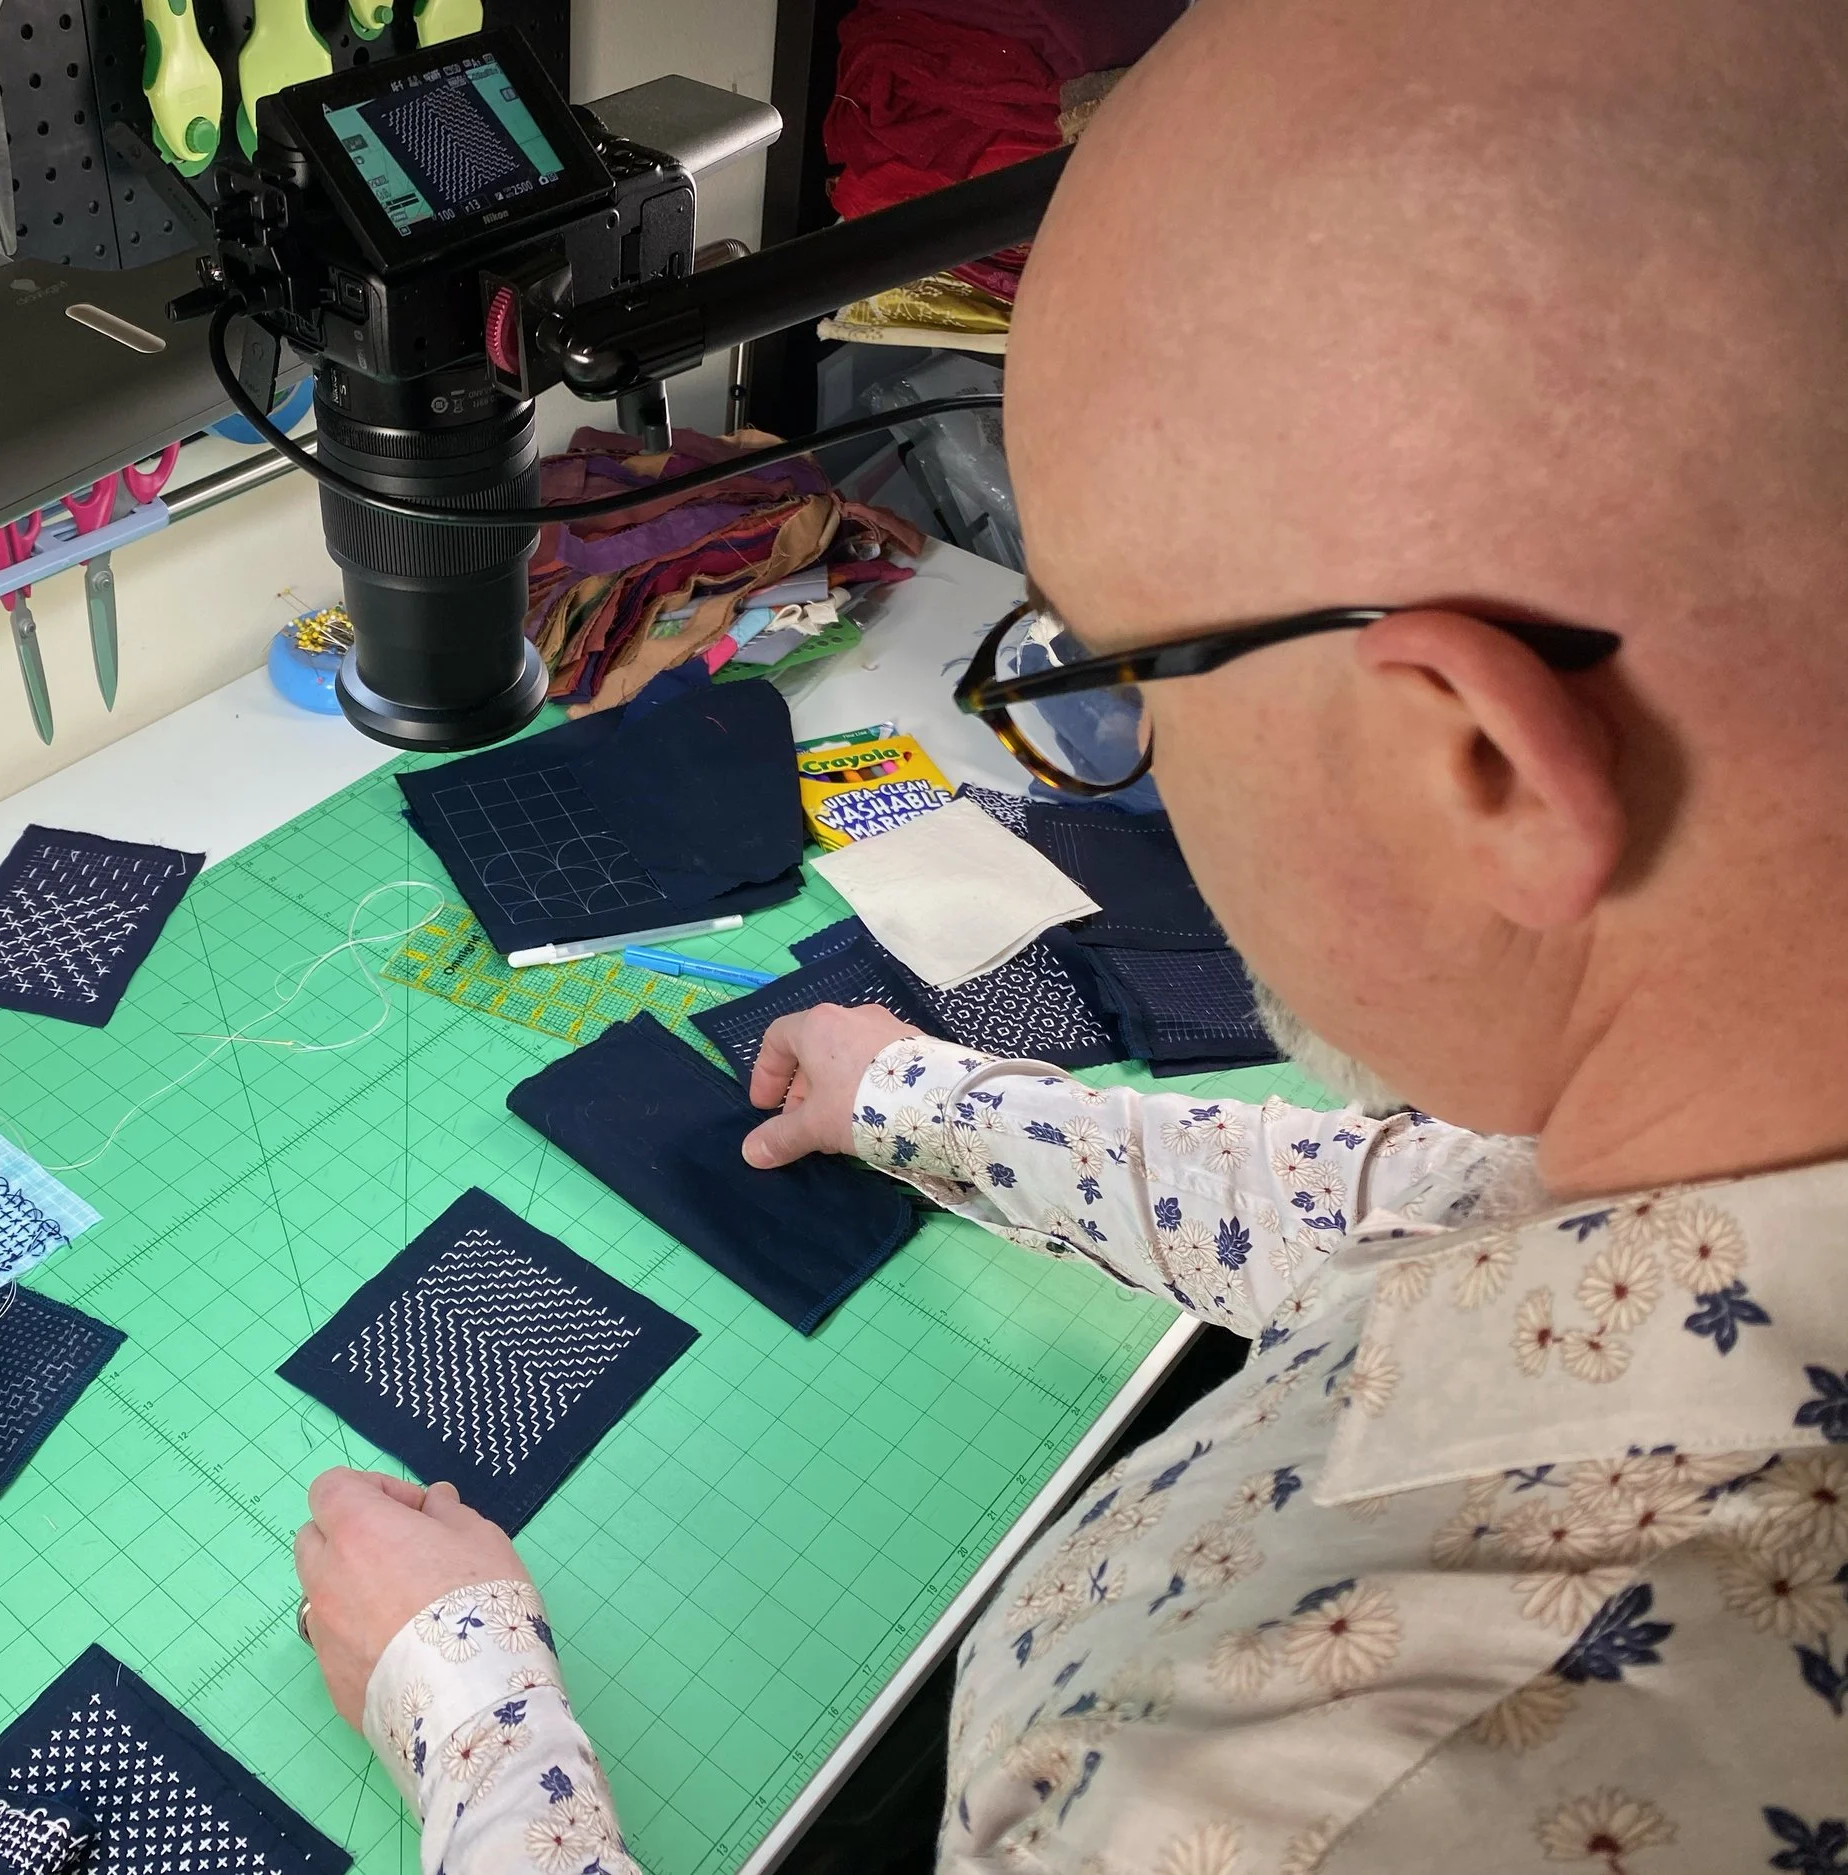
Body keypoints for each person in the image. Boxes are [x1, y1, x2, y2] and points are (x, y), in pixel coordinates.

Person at [292, 0, 1848, 1866]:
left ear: (1486, 774)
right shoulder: (1738, 1140)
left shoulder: (1319, 1798)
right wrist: (932, 1101)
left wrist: (471, 1712)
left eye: (1117, 682)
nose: (1106, 749)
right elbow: (1442, 1216)